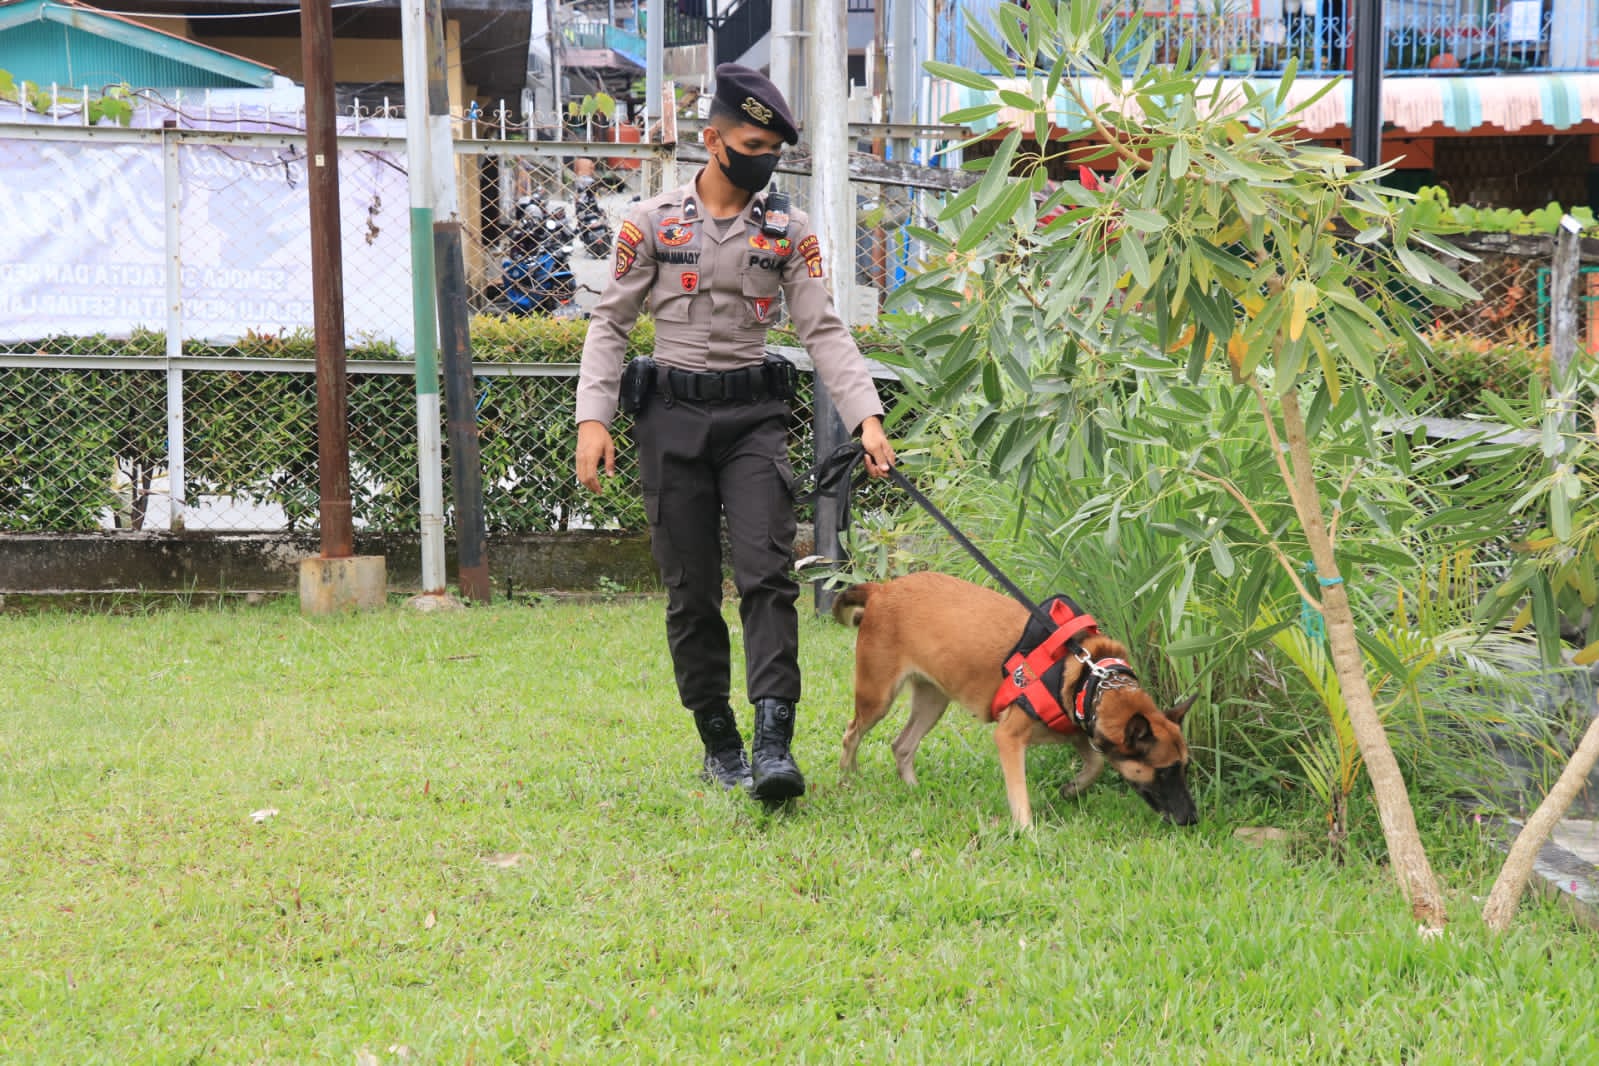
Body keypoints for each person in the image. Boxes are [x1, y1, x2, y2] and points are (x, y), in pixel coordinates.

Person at [574, 63, 897, 802]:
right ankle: (720, 744)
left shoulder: (788, 230)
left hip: (752, 421)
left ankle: (773, 744)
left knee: (767, 578)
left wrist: (867, 417)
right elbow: (610, 324)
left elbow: (823, 330)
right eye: (752, 146)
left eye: (773, 151)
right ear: (713, 141)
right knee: (690, 591)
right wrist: (594, 418)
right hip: (670, 421)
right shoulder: (651, 222)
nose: (763, 161)